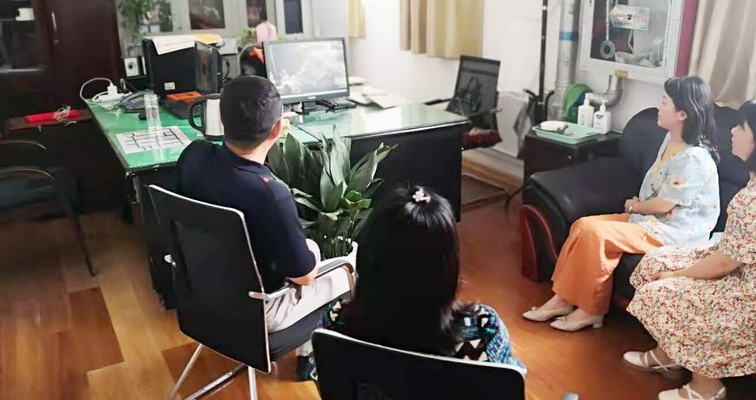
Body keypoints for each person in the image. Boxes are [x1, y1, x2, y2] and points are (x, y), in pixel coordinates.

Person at [623, 98, 756, 400]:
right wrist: (673, 269)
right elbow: (736, 251)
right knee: (655, 261)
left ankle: (707, 389)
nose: (732, 131)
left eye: (742, 127)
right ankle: (670, 354)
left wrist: (674, 277)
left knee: (663, 291)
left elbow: (725, 263)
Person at [523, 76, 720, 332]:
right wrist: (639, 205)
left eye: (664, 102)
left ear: (682, 113)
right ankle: (562, 299)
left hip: (674, 231)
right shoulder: (670, 139)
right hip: (652, 220)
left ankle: (591, 310)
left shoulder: (694, 158)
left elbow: (664, 205)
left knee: (596, 234)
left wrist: (633, 207)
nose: (658, 107)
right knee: (582, 226)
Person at [176, 75, 353, 334]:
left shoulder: (193, 155)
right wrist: (313, 251)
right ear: (277, 129)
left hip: (200, 293)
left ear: (222, 119)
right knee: (347, 268)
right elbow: (303, 277)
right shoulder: (271, 195)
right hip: (258, 310)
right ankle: (317, 348)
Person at [320, 186, 523, 368]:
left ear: (368, 257)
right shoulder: (483, 328)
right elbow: (507, 389)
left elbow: (332, 388)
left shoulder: (336, 323)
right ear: (448, 267)